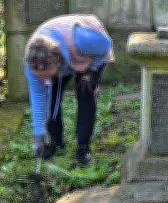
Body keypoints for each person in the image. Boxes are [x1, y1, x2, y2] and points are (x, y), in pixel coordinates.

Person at [24, 14, 114, 166]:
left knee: (85, 91)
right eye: (41, 77)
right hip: (58, 54)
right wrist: (38, 134)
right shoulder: (32, 63)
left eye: (47, 76)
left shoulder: (82, 40)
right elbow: (38, 97)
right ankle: (55, 141)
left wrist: (90, 71)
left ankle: (83, 147)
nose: (44, 80)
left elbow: (105, 45)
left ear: (58, 64)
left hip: (89, 50)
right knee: (51, 94)